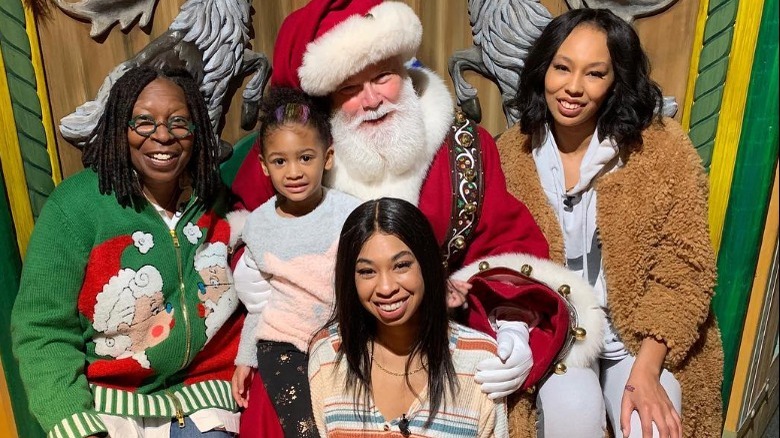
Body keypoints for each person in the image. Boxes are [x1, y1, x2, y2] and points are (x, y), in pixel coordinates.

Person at [229, 1, 605, 436]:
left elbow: (506, 244)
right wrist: (247, 265)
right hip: (325, 338)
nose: (371, 101)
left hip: (440, 339)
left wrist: (514, 326)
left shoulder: (464, 147)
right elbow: (247, 219)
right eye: (350, 89)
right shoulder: (305, 155)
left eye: (382, 78)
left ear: (403, 67)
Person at [496, 9, 723, 438]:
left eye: (595, 74)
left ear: (616, 80)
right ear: (543, 69)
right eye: (562, 68)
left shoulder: (662, 149)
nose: (574, 87)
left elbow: (685, 268)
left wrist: (646, 372)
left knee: (650, 427)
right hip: (559, 336)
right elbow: (502, 264)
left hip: (639, 339)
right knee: (573, 420)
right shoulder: (510, 154)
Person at [11, 65, 245, 437]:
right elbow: (42, 328)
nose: (163, 136)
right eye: (144, 122)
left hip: (208, 402)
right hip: (110, 410)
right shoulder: (74, 208)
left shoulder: (220, 202)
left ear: (197, 130)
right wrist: (74, 421)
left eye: (179, 122)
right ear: (120, 127)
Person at [309, 197, 508, 437]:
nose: (385, 287)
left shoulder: (479, 360)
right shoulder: (328, 355)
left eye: (401, 266)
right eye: (367, 271)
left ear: (427, 265)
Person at [229, 87, 361, 437]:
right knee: (304, 430)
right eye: (280, 161)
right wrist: (246, 358)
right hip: (280, 343)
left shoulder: (349, 213)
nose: (294, 172)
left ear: (327, 157)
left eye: (306, 157)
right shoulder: (257, 225)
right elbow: (258, 302)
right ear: (263, 166)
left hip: (340, 339)